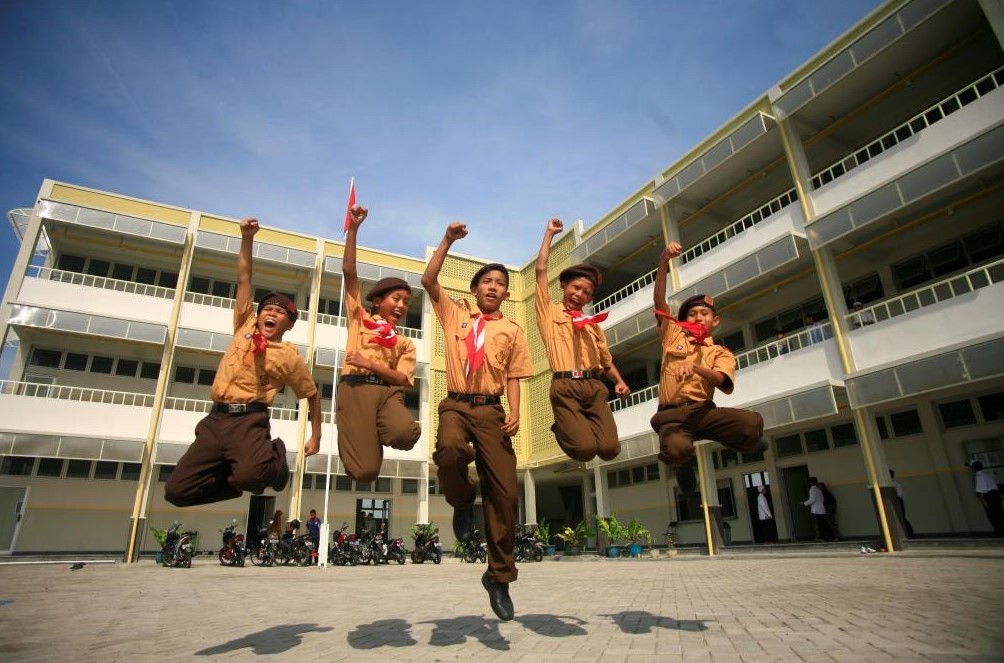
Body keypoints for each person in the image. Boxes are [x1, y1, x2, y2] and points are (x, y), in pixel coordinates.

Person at [165, 218, 321, 507]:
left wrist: (316, 437)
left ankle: (272, 457)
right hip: (215, 420)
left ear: (288, 324)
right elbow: (244, 278)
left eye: (279, 312)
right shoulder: (243, 325)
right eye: (266, 310)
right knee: (176, 492)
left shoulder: (287, 355)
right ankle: (233, 475)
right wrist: (247, 237)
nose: (270, 314)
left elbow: (312, 395)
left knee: (252, 477)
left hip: (249, 420)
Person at [421, 221, 533, 622]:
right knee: (450, 450)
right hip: (456, 403)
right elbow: (428, 278)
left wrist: (517, 410)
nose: (493, 286)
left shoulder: (512, 330)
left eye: (500, 283)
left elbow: (517, 374)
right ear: (474, 289)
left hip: (492, 410)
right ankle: (461, 501)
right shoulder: (455, 314)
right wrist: (448, 240)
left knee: (505, 493)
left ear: (505, 292)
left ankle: (498, 577)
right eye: (486, 281)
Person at [650, 243, 766, 496]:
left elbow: (722, 382)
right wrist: (663, 261)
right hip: (672, 417)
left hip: (702, 412)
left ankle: (748, 442)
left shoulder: (720, 352)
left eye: (704, 313)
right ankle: (682, 464)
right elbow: (660, 302)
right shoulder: (672, 336)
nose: (698, 317)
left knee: (751, 423)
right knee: (677, 449)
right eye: (692, 313)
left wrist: (697, 367)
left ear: (715, 321)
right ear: (683, 320)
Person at [534, 218, 630, 462]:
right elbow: (541, 270)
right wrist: (549, 235)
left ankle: (578, 427)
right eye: (576, 288)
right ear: (564, 286)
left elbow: (606, 361)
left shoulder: (592, 324)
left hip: (593, 386)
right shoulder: (549, 312)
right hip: (565, 385)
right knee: (585, 450)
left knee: (609, 450)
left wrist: (619, 382)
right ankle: (563, 427)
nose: (580, 294)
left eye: (586, 292)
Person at [337, 204, 421, 482]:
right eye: (396, 299)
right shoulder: (359, 319)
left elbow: (401, 378)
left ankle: (377, 426)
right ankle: (357, 431)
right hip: (355, 389)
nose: (401, 305)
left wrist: (369, 363)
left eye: (406, 302)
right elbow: (349, 272)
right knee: (365, 472)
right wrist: (354, 229)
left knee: (406, 433)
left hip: (386, 393)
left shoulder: (404, 342)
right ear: (377, 302)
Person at [969, 460, 1004, 537]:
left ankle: (999, 532)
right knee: (999, 513)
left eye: (971, 467)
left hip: (989, 497)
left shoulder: (979, 476)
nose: (971, 469)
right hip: (995, 495)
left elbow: (981, 491)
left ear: (974, 468)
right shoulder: (986, 475)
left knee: (992, 515)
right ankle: (1000, 530)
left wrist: (984, 501)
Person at [803, 477, 835, 541]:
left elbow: (812, 499)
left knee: (820, 524)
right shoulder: (819, 489)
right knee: (824, 523)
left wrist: (804, 503)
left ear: (810, 483)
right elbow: (822, 499)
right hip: (822, 508)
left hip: (816, 510)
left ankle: (822, 537)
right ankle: (830, 536)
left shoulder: (812, 490)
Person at [889, 470, 914, 539]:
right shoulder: (897, 484)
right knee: (901, 518)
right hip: (898, 501)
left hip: (896, 502)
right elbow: (900, 495)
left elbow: (899, 495)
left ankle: (905, 534)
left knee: (898, 518)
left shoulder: (892, 485)